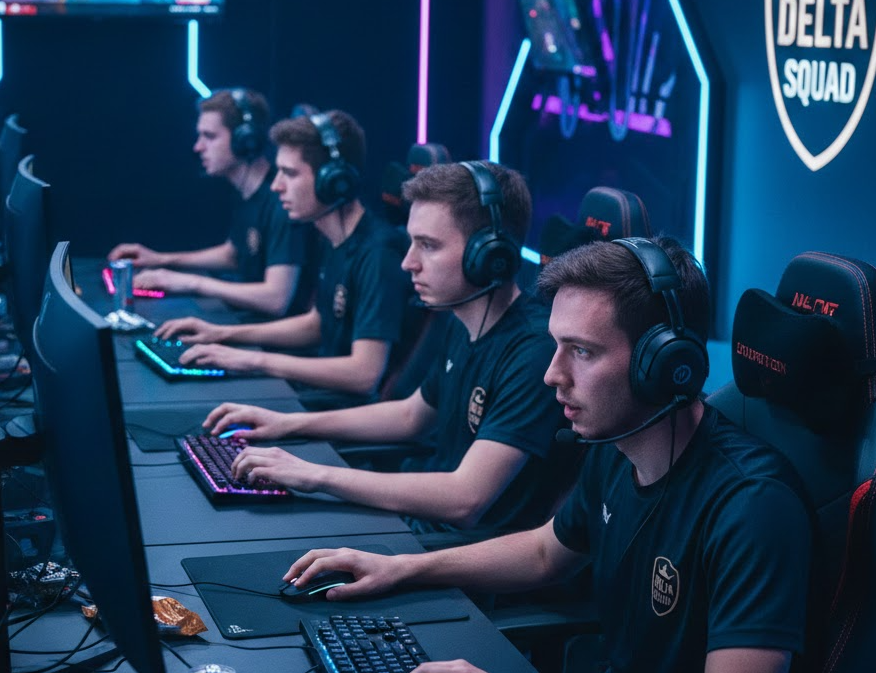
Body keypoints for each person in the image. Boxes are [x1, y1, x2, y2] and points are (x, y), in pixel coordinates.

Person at [278, 236, 815, 673]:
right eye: (557, 345)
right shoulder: (616, 444)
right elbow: (544, 553)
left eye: (581, 351)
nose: (552, 374)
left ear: (662, 364)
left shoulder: (753, 504)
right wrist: (402, 568)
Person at [203, 161, 580, 539]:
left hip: (454, 552)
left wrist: (314, 475)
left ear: (488, 254)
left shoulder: (533, 352)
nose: (408, 262)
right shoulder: (463, 319)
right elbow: (410, 416)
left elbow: (465, 499)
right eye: (412, 242)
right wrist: (286, 423)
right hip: (417, 521)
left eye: (428, 246)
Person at [155, 109, 412, 408]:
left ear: (333, 180)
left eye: (289, 174)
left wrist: (254, 360)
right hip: (318, 394)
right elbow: (317, 324)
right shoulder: (334, 238)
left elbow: (363, 374)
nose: (276, 185)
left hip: (345, 412)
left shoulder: (378, 254)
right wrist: (222, 334)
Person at [107, 88, 316, 317]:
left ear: (244, 140)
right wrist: (160, 259)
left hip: (277, 331)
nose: (198, 147)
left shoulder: (282, 202)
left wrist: (189, 282)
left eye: (210, 136)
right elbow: (234, 254)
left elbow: (276, 299)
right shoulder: (246, 192)